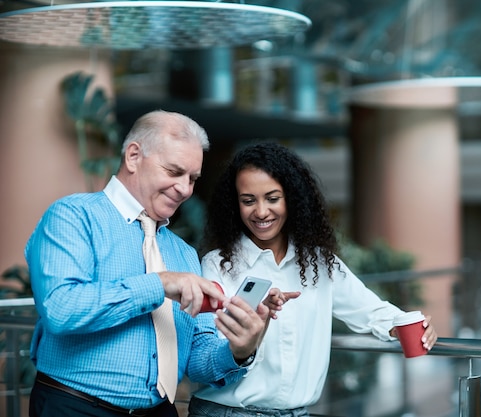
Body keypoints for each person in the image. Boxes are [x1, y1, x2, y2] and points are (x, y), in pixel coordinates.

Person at [26, 110, 268, 417]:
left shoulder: (183, 254)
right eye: (174, 171)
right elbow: (61, 309)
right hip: (75, 407)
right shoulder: (73, 217)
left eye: (192, 178)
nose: (185, 189)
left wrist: (239, 350)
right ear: (133, 156)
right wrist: (160, 283)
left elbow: (197, 359)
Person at [189, 142, 438, 416]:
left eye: (273, 198)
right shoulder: (217, 264)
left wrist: (412, 326)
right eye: (248, 201)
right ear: (235, 204)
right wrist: (253, 326)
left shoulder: (320, 263)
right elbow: (206, 352)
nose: (260, 212)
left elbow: (369, 310)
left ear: (292, 199)